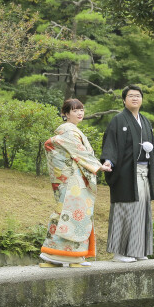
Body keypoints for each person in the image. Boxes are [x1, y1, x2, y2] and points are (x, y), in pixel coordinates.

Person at [39, 99, 111, 268]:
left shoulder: (70, 132)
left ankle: (58, 256)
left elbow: (80, 154)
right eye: (75, 110)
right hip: (73, 182)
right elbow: (82, 154)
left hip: (70, 181)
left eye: (81, 110)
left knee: (66, 214)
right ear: (65, 114)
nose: (80, 113)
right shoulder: (69, 133)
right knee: (71, 215)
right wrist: (98, 166)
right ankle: (67, 256)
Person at [100, 85, 154, 263]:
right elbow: (111, 144)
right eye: (131, 96)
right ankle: (119, 253)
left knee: (142, 210)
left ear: (142, 99)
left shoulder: (145, 121)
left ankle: (138, 250)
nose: (135, 98)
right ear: (124, 100)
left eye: (138, 96)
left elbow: (153, 148)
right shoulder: (118, 120)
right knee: (124, 209)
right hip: (125, 174)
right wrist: (108, 161)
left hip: (144, 173)